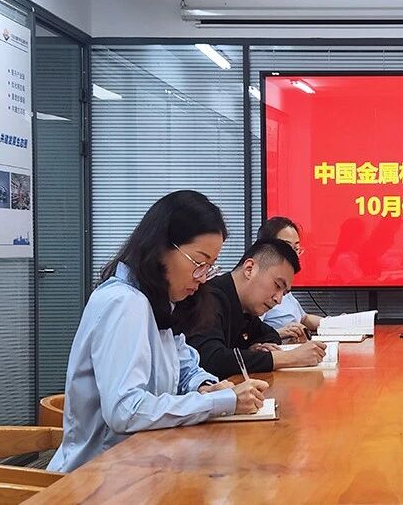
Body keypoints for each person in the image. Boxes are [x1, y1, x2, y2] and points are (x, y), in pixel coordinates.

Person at [48, 191, 268, 473]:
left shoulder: (159, 302)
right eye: (198, 263)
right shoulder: (124, 303)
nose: (203, 277)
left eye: (210, 267)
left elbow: (184, 365)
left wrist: (204, 386)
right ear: (161, 247)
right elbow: (125, 411)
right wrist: (218, 402)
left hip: (143, 463)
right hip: (98, 475)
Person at [180, 238, 327, 378]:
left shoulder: (245, 307)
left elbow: (270, 335)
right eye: (277, 285)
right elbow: (211, 359)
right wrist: (289, 358)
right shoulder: (209, 297)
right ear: (249, 269)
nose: (278, 299)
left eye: (284, 293)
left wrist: (256, 348)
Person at [258, 217, 323, 339]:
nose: (293, 255)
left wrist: (332, 323)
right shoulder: (259, 286)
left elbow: (303, 318)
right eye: (287, 247)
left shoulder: (284, 283)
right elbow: (250, 338)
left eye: (296, 248)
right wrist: (282, 333)